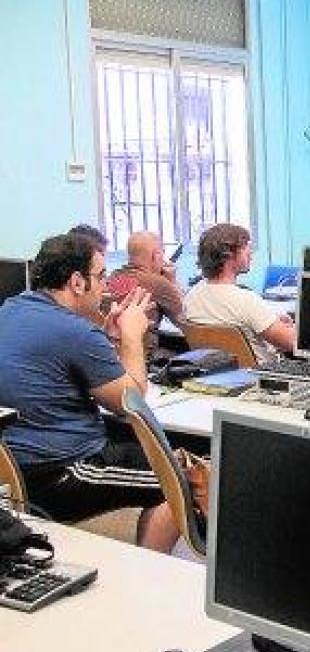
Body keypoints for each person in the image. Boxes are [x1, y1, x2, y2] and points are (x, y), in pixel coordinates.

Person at [0, 233, 178, 551]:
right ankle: (150, 580)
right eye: (100, 276)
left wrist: (109, 341)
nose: (105, 286)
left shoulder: (9, 310)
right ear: (77, 282)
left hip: (14, 472)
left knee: (162, 459)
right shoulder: (74, 330)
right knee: (181, 479)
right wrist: (133, 336)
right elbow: (131, 401)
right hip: (64, 471)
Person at [183, 224, 294, 363]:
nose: (250, 252)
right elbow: (291, 342)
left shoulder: (192, 295)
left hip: (217, 377)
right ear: (228, 255)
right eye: (245, 246)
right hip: (260, 378)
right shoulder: (246, 300)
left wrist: (270, 321)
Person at [107, 231, 184, 352]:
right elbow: (185, 321)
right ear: (156, 256)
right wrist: (172, 282)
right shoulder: (158, 283)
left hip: (113, 352)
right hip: (144, 356)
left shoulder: (112, 277)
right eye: (162, 252)